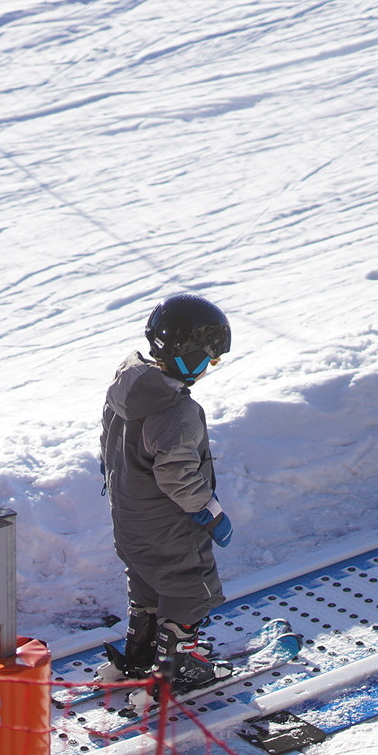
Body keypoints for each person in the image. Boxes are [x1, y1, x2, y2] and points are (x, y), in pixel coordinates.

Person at [99, 293, 236, 692]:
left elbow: (108, 441)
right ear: (189, 357)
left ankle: (142, 646)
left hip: (129, 516)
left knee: (146, 580)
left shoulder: (129, 388)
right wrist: (209, 510)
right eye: (210, 360)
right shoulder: (174, 412)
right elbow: (177, 476)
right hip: (166, 524)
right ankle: (180, 661)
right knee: (189, 586)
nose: (211, 368)